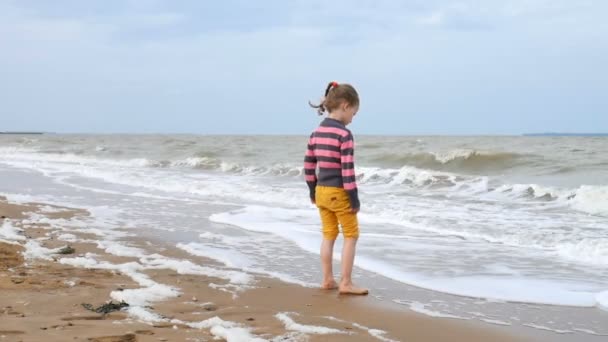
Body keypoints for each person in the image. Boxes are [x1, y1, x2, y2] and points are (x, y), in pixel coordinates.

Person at [304, 81, 368, 295]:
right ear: (345, 105)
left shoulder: (315, 133)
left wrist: (312, 190)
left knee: (329, 234)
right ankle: (346, 283)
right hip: (339, 192)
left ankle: (327, 279)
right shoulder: (344, 135)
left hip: (321, 191)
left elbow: (308, 165)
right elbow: (347, 171)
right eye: (354, 112)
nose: (353, 117)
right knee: (351, 235)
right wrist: (354, 198)